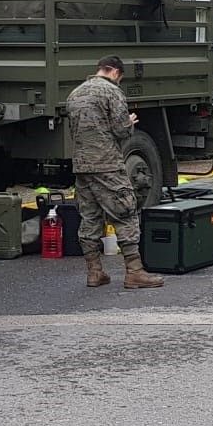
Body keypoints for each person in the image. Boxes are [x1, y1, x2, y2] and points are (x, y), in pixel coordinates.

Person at [63, 55, 163, 290]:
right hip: (107, 164)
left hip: (82, 165)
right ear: (116, 72)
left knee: (90, 218)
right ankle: (134, 272)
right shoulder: (111, 92)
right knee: (125, 212)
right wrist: (129, 122)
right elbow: (120, 131)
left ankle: (94, 272)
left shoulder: (74, 94)